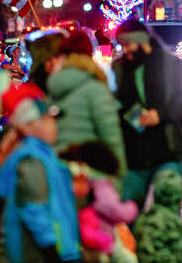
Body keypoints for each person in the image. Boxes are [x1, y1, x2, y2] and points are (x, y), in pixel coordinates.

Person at [0, 84, 106, 263]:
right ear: (28, 125)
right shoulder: (32, 160)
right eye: (47, 120)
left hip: (36, 252)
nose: (54, 125)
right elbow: (34, 209)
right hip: (33, 254)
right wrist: (51, 247)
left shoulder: (41, 156)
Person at [112, 19, 182, 207]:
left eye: (127, 44)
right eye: (121, 45)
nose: (125, 50)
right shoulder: (119, 68)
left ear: (141, 41)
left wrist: (160, 115)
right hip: (133, 154)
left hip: (168, 150)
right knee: (129, 212)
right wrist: (134, 118)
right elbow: (114, 103)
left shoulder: (170, 64)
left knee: (167, 212)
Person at [47, 30, 128, 176]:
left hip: (59, 170)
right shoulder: (96, 88)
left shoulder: (54, 88)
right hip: (91, 172)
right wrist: (119, 174)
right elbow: (111, 136)